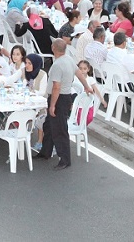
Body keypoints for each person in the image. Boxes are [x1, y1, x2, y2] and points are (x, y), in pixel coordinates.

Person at [37, 39, 84, 170]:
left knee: (59, 130)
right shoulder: (68, 59)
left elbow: (56, 87)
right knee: (49, 126)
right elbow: (79, 73)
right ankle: (46, 151)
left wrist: (52, 105)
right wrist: (86, 86)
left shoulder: (57, 65)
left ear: (53, 48)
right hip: (65, 97)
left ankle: (65, 159)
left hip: (58, 99)